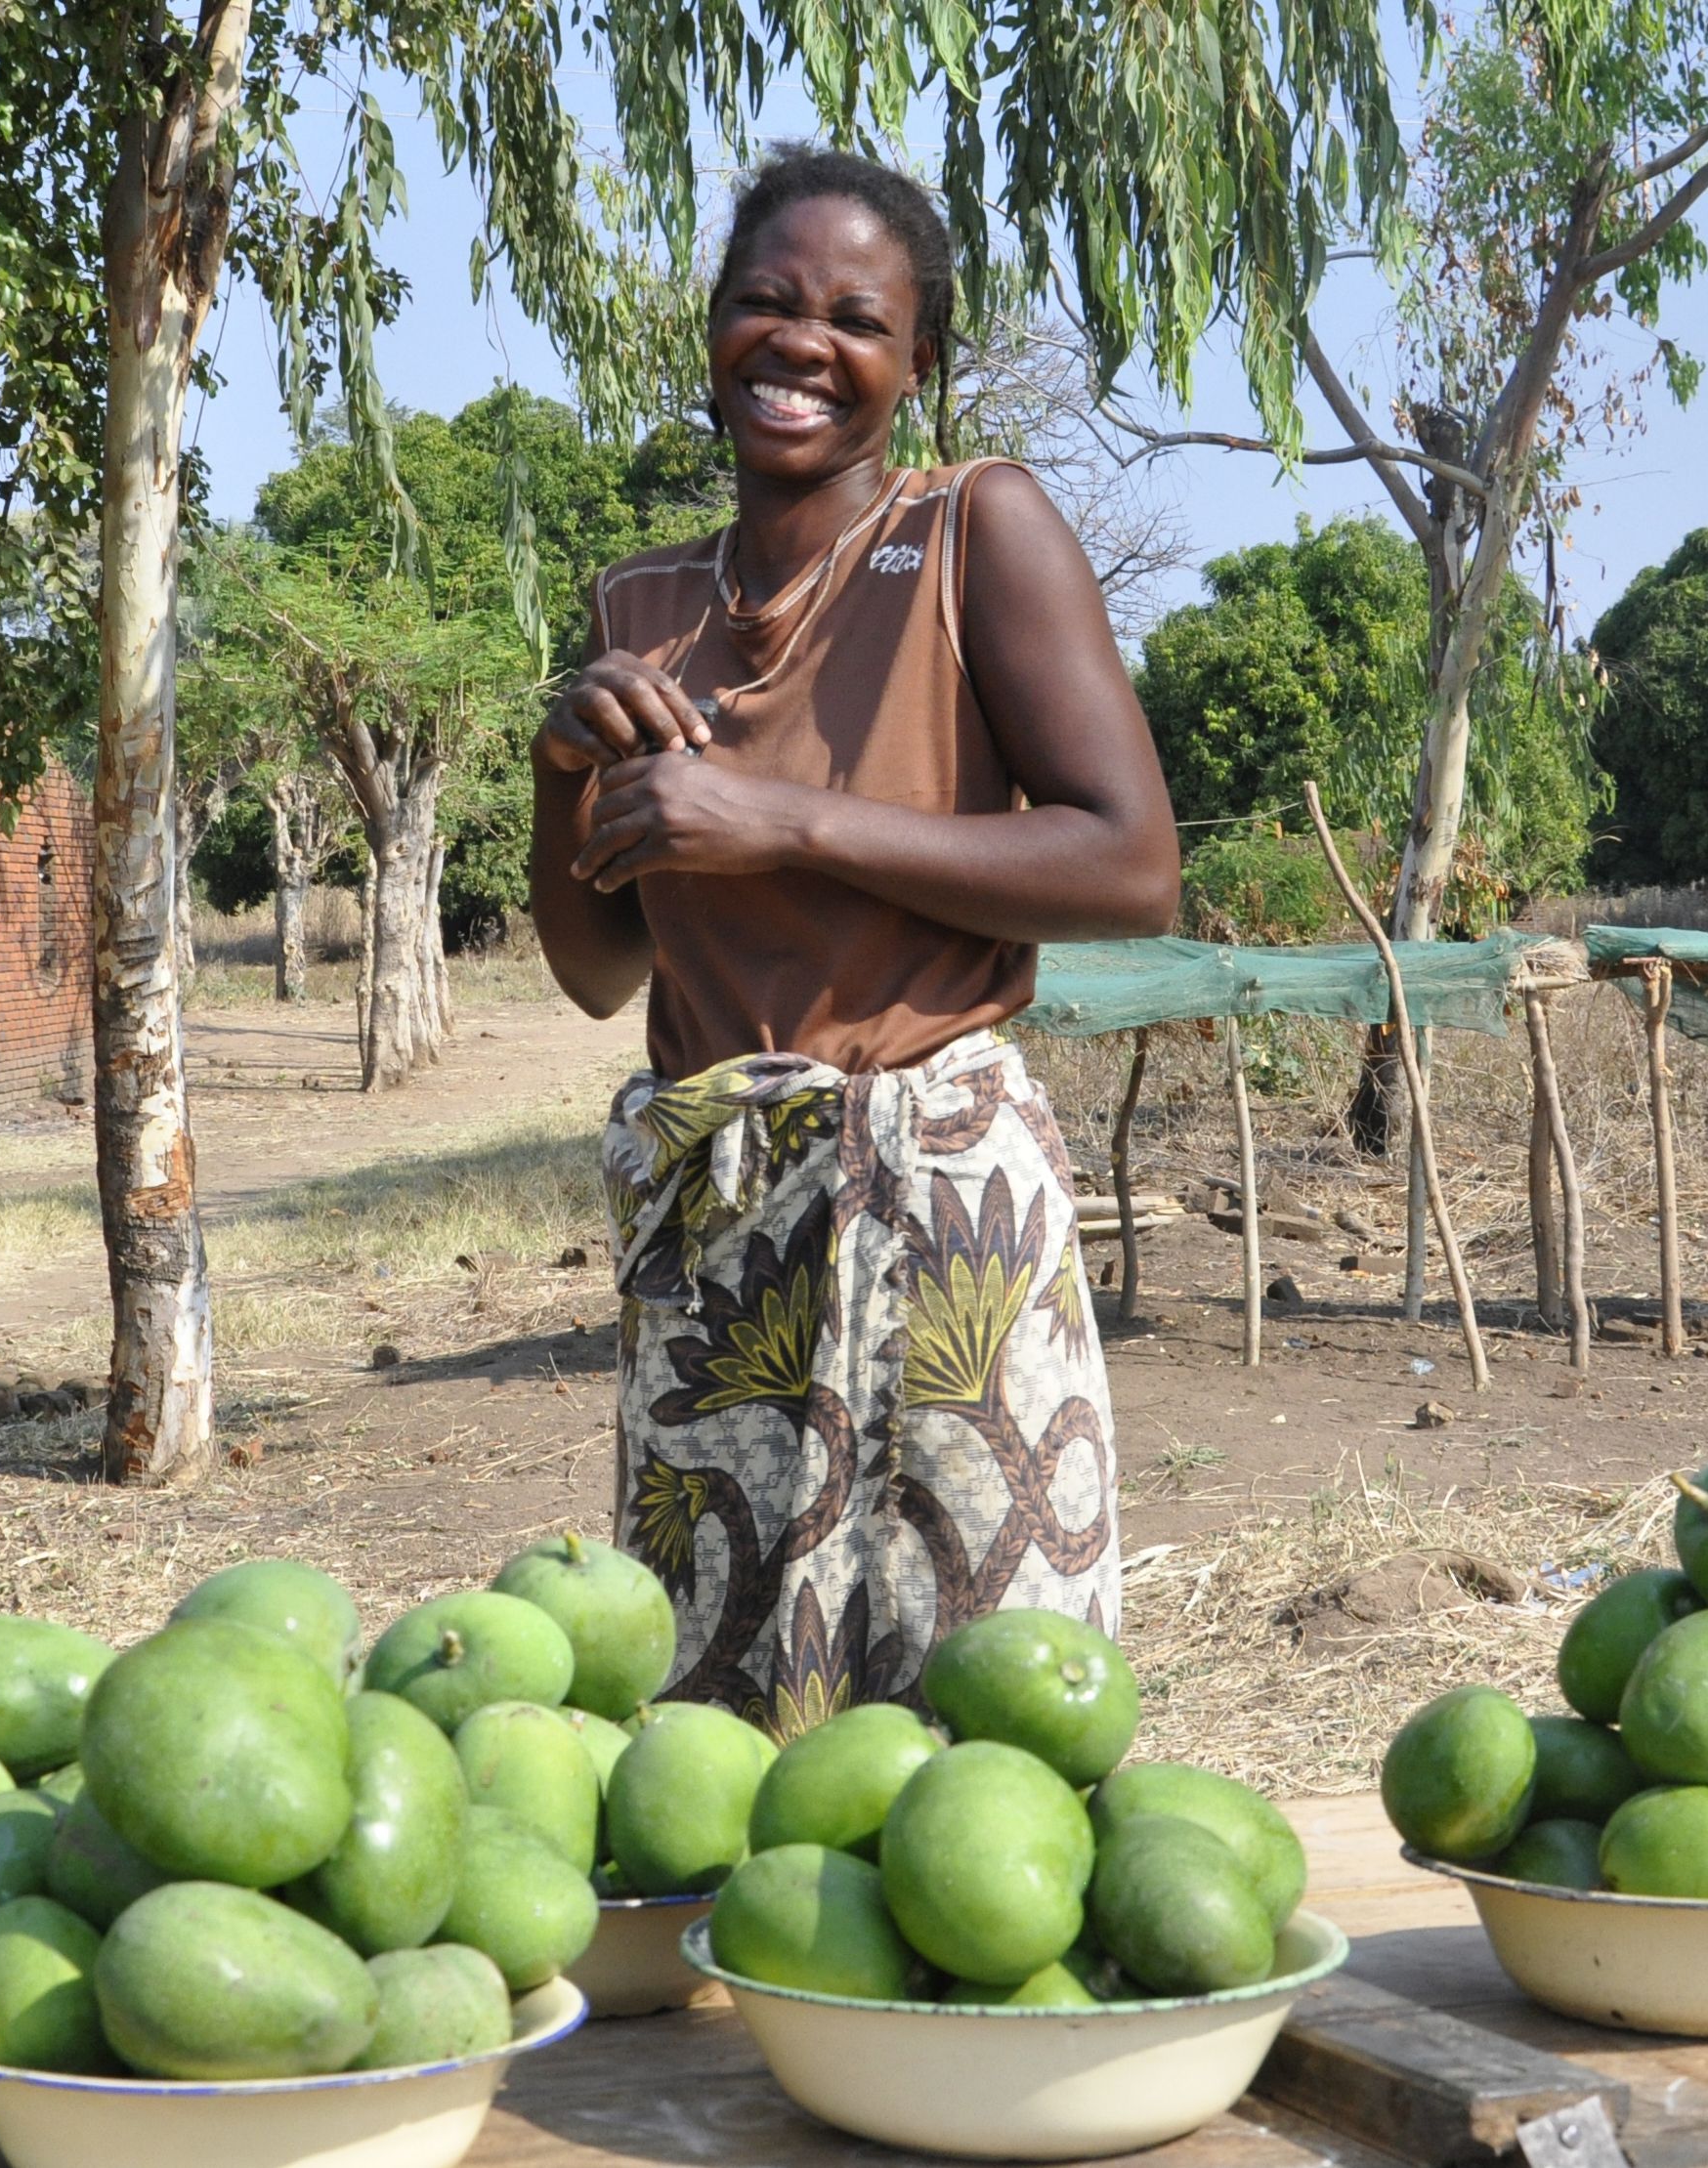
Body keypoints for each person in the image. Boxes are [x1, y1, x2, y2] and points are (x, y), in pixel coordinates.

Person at [529, 148, 1180, 1734]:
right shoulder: (640, 605)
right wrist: (563, 776)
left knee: (984, 1705)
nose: (799, 344)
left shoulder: (976, 529)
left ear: (918, 360)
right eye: (763, 302)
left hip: (940, 1194)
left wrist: (784, 820)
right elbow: (597, 968)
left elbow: (1128, 863)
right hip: (715, 1220)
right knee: (710, 1711)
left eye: (853, 318)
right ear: (711, 327)